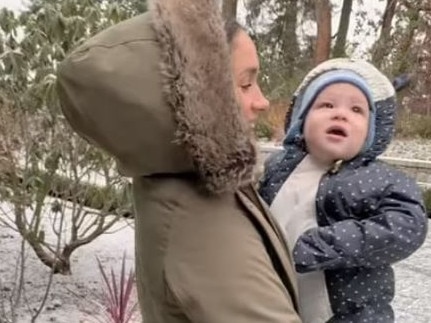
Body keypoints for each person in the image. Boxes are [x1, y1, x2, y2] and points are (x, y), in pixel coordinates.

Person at [56, 0, 302, 322]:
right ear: (191, 100)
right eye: (245, 83)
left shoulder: (173, 180)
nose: (262, 101)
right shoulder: (205, 230)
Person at [259, 58, 428, 323]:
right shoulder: (278, 167)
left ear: (372, 132)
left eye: (357, 110)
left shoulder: (378, 179)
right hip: (277, 300)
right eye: (326, 105)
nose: (341, 114)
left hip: (351, 312)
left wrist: (330, 243)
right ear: (301, 119)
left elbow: (408, 226)